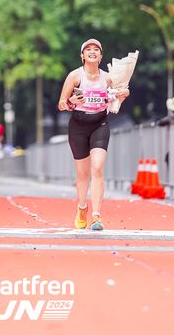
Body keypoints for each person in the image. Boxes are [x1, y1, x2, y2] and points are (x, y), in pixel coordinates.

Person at [58, 38, 130, 231]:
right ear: (82, 55)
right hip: (78, 126)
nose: (92, 52)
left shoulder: (108, 78)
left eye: (96, 49)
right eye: (88, 49)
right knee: (82, 173)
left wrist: (123, 95)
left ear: (100, 56)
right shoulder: (75, 76)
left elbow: (115, 101)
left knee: (97, 168)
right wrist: (71, 101)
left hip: (100, 124)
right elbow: (61, 104)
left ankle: (97, 216)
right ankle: (82, 208)